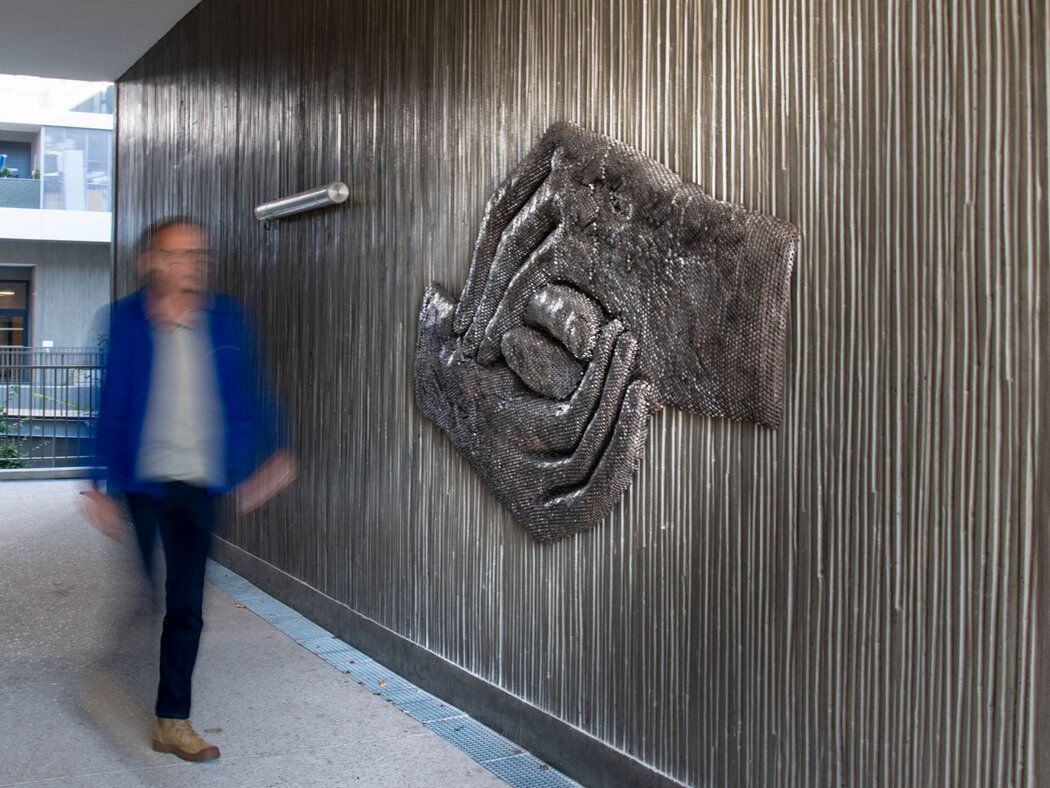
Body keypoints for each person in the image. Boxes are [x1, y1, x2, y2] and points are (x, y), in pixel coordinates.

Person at [83, 217, 296, 762]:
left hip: (199, 482)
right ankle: (144, 605)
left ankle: (172, 720)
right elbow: (108, 402)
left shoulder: (229, 318)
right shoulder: (125, 320)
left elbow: (256, 391)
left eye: (197, 254)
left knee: (186, 604)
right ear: (149, 261)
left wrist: (275, 452)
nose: (190, 264)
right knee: (148, 589)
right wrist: (96, 484)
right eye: (177, 254)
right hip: (141, 480)